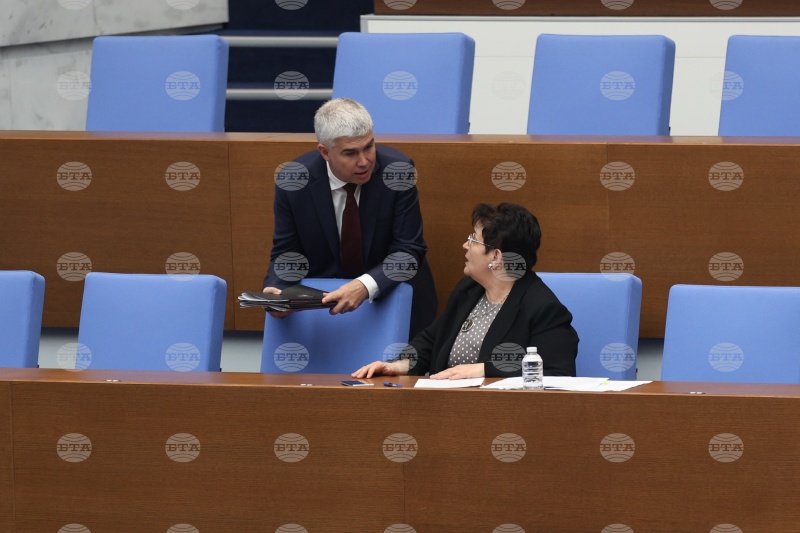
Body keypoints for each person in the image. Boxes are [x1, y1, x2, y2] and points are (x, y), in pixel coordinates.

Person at [262, 98, 437, 338]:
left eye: (369, 147)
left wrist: (365, 285)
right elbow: (287, 252)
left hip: (393, 298)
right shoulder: (294, 182)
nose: (364, 161)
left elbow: (409, 251)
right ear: (325, 152)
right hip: (327, 310)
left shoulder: (397, 172)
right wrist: (277, 291)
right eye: (350, 153)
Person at [352, 202, 578, 379]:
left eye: (473, 240)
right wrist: (396, 366)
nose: (465, 245)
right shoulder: (469, 289)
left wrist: (482, 370)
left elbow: (557, 373)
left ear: (496, 257)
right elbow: (431, 340)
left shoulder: (543, 308)